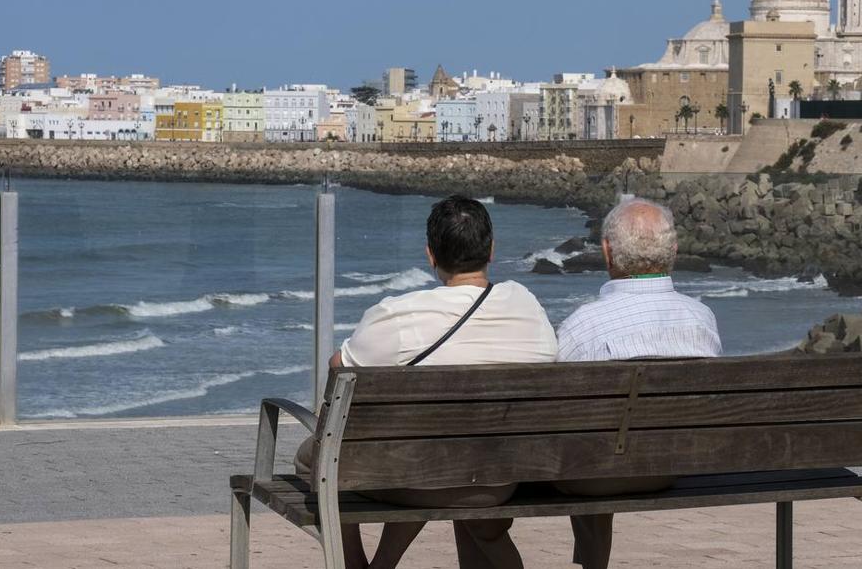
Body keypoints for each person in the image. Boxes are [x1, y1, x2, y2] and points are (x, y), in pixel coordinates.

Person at [295, 195, 556, 569]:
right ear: (491, 250)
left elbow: (338, 374)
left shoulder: (400, 316)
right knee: (437, 451)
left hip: (418, 476)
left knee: (321, 457)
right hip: (499, 481)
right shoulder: (528, 306)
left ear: (431, 255)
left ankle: (354, 562)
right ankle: (383, 562)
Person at [555, 197, 722, 569]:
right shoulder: (702, 318)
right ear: (674, 251)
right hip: (672, 466)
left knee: (595, 442)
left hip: (597, 475)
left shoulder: (584, 324)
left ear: (606, 252)